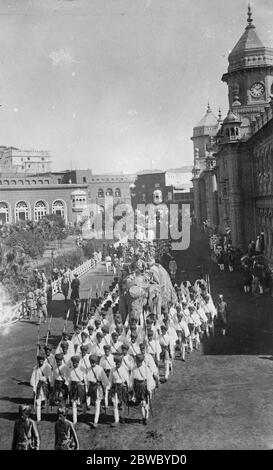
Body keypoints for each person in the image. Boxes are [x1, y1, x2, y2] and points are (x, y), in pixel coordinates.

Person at [86, 355, 109, 428]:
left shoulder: (100, 369)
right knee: (94, 403)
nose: (92, 364)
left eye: (94, 362)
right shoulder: (88, 369)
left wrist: (105, 388)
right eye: (91, 362)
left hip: (98, 387)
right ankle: (100, 410)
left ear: (96, 362)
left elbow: (105, 380)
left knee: (97, 403)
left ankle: (95, 421)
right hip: (91, 387)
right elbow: (87, 380)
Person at [108, 355, 130, 426]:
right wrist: (108, 388)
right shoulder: (112, 370)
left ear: (121, 362)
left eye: (119, 362)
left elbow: (128, 380)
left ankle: (122, 417)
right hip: (115, 388)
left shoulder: (124, 370)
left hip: (122, 388)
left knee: (123, 403)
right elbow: (110, 380)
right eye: (116, 362)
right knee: (115, 404)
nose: (117, 364)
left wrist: (129, 389)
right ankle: (116, 420)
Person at [30, 353, 52, 421]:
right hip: (38, 387)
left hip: (45, 386)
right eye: (39, 360)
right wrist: (34, 387)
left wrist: (49, 382)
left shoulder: (47, 367)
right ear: (38, 360)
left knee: (47, 400)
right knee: (38, 402)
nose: (40, 361)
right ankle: (38, 418)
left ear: (44, 360)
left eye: (42, 360)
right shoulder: (35, 368)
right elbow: (32, 379)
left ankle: (47, 414)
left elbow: (50, 376)